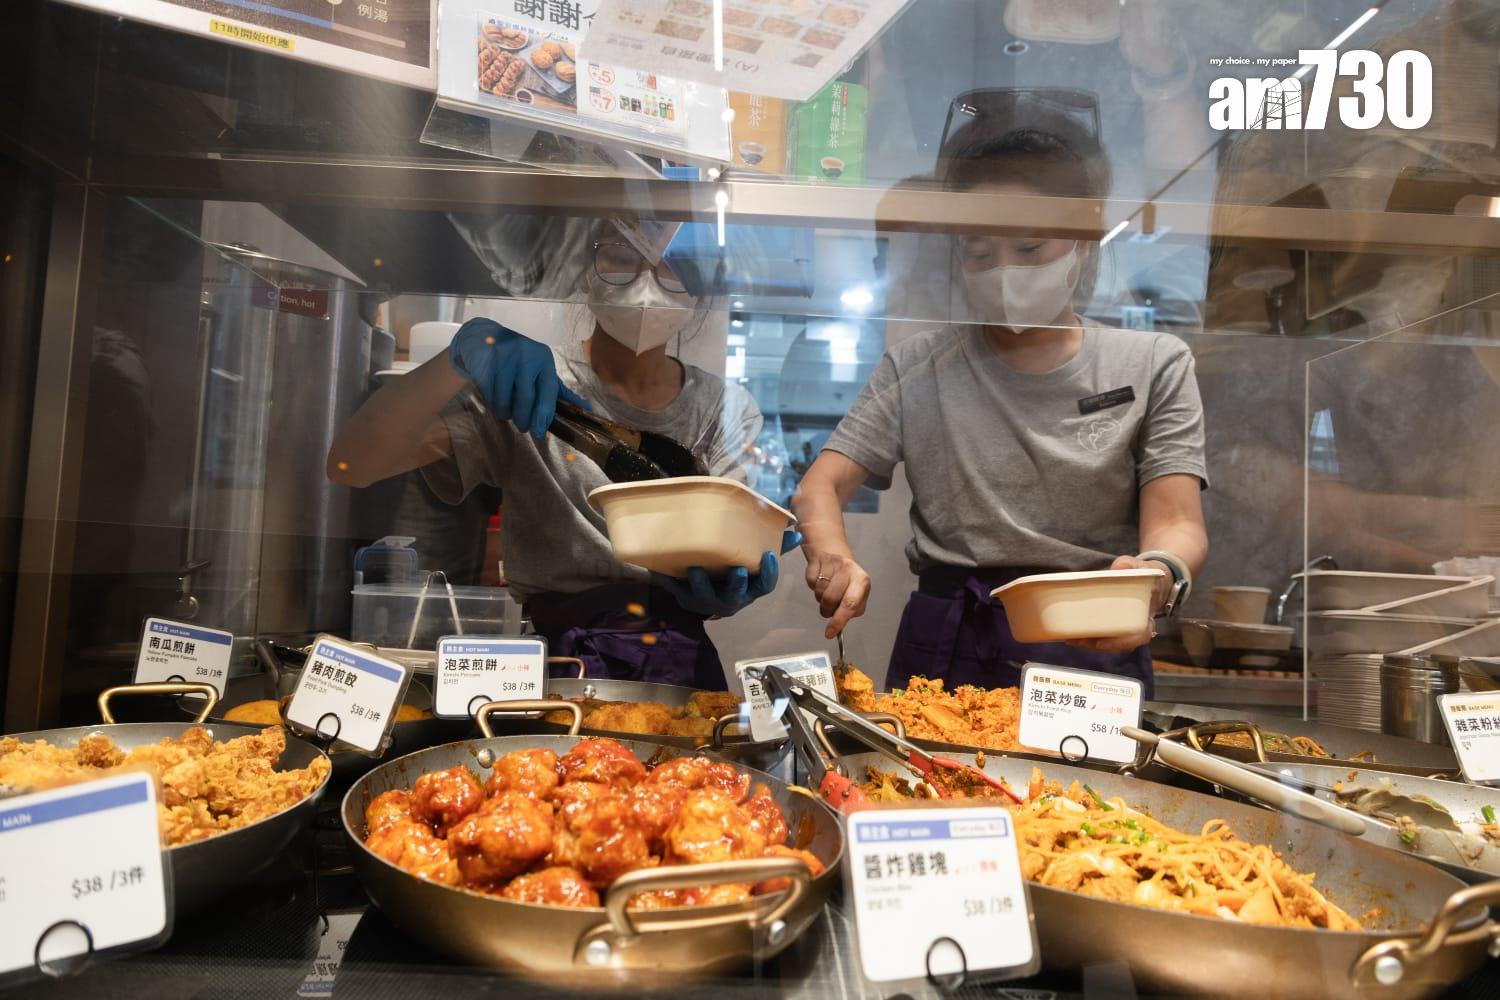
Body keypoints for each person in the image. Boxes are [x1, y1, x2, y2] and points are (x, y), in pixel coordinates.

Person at [791, 97, 1209, 696]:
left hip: (1089, 631)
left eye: (1030, 250)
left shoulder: (1152, 363)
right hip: (949, 637)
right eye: (979, 253)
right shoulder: (918, 366)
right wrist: (833, 557)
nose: (1004, 271)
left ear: (1082, 243)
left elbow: (1177, 522)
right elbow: (821, 485)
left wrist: (1157, 578)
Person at [327, 219, 793, 689]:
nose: (647, 285)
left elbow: (730, 554)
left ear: (700, 283)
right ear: (582, 268)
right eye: (621, 257)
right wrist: (457, 358)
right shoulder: (525, 384)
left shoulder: (722, 409)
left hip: (679, 670)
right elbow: (353, 462)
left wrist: (726, 585)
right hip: (550, 664)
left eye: (671, 266)